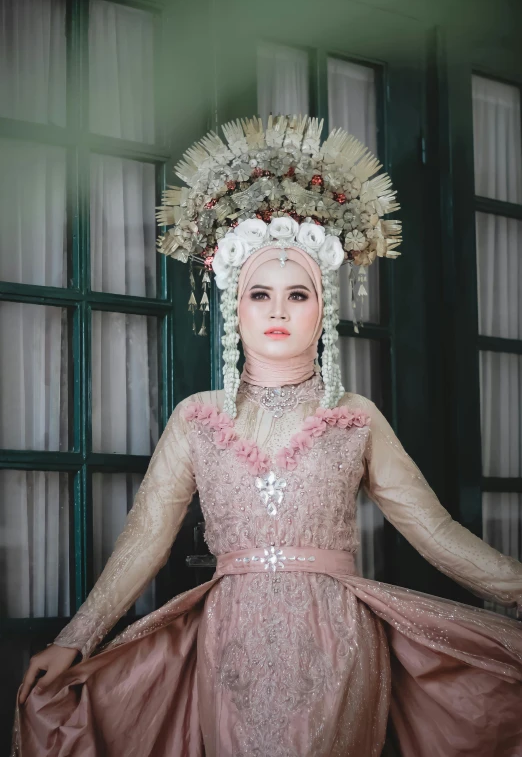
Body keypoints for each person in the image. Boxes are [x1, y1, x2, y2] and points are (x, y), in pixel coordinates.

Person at [13, 116, 522, 757]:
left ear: (323, 308)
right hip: (230, 644)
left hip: (337, 643)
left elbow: (435, 532)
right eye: (260, 293)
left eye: (297, 294)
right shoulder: (198, 418)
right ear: (236, 306)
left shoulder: (356, 417)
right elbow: (145, 539)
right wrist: (77, 636)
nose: (278, 311)